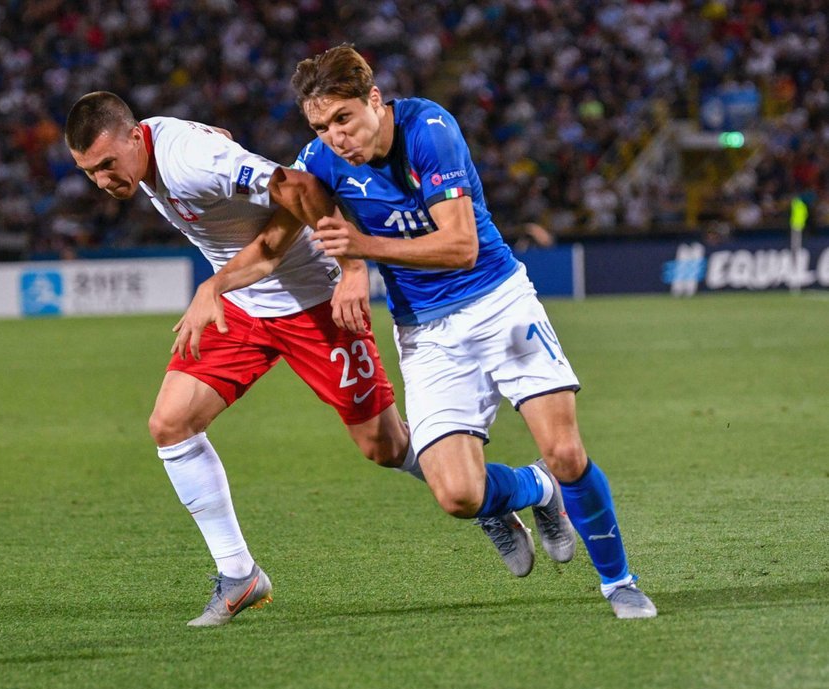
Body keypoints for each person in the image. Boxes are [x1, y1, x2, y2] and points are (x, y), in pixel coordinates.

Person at [287, 45, 656, 619]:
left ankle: (620, 582)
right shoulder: (320, 160)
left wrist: (363, 250)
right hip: (425, 333)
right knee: (459, 495)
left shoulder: (429, 130)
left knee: (564, 449)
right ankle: (536, 491)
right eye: (321, 125)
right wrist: (353, 269)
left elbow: (461, 246)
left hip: (498, 304)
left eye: (343, 119)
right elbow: (309, 210)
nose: (335, 137)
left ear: (375, 101)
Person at [64, 91, 425, 627]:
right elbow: (226, 146)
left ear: (135, 136)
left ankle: (494, 491)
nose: (103, 181)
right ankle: (240, 574)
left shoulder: (189, 159)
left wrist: (352, 268)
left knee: (385, 445)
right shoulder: (154, 151)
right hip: (241, 306)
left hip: (311, 300)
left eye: (108, 165)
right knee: (170, 424)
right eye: (90, 172)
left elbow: (301, 187)